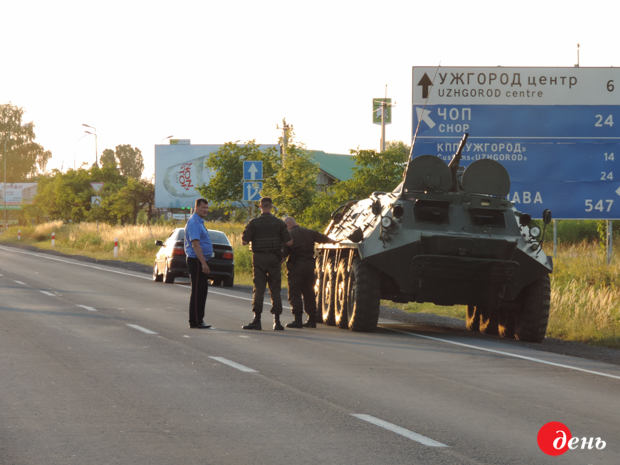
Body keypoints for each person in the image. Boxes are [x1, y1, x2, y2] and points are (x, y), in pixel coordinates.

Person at [241, 197, 293, 331]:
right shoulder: (279, 223)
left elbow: (244, 241)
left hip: (259, 258)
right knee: (275, 289)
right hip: (274, 259)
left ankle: (257, 320)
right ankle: (277, 321)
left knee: (259, 288)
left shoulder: (254, 223)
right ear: (271, 206)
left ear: (260, 206)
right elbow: (289, 242)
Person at [282, 217, 337, 328]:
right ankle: (311, 319)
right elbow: (324, 238)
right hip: (310, 265)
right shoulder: (309, 232)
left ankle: (297, 319)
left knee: (294, 292)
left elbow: (284, 254)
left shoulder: (289, 235)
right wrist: (336, 242)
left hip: (296, 266)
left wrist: (276, 265)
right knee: (309, 292)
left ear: (288, 224)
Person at [184, 198, 213, 329]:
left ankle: (199, 319)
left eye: (207, 208)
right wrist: (203, 263)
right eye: (203, 208)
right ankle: (195, 321)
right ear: (196, 207)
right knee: (197, 291)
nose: (205, 210)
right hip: (196, 260)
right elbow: (195, 244)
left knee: (202, 290)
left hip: (200, 259)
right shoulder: (194, 222)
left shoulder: (200, 222)